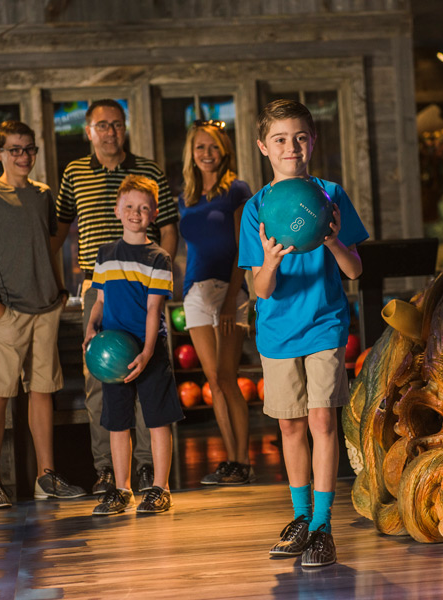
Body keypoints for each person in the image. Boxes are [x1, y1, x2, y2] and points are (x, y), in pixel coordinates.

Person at [238, 100, 368, 567]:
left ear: (311, 142)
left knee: (321, 422)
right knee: (290, 425)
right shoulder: (256, 209)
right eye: (279, 139)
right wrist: (270, 262)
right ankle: (299, 517)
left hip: (325, 324)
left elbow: (354, 270)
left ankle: (322, 527)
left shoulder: (330, 193)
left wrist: (332, 238)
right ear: (263, 148)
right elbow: (261, 288)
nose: (290, 147)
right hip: (277, 332)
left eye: (299, 138)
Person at [53, 99, 179, 497]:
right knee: (103, 380)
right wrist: (58, 284)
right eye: (102, 125)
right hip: (100, 284)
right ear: (89, 131)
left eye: (117, 124)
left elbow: (171, 226)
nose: (110, 131)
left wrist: (160, 270)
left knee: (148, 374)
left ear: (125, 128)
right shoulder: (74, 172)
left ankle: (147, 469)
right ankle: (108, 471)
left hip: (145, 283)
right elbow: (59, 231)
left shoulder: (148, 170)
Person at [0, 120, 86, 509]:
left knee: (42, 390)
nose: (23, 156)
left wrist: (58, 289)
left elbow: (49, 245)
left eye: (29, 149)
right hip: (10, 311)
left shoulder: (43, 195)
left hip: (46, 308)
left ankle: (46, 476)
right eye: (15, 149)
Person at [83, 175, 184, 515]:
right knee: (118, 422)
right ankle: (122, 489)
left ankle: (160, 488)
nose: (135, 213)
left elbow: (155, 310)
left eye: (143, 208)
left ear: (154, 214)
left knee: (156, 420)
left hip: (148, 351)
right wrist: (91, 328)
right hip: (113, 354)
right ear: (117, 210)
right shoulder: (105, 254)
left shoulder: (159, 258)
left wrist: (147, 352)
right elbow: (99, 300)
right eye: (129, 206)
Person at [178, 120, 254, 485]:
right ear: (191, 154)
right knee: (212, 378)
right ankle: (230, 460)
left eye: (213, 147)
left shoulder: (237, 190)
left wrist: (230, 300)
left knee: (227, 376)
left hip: (230, 291)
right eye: (200, 148)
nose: (206, 154)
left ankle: (244, 460)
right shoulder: (186, 196)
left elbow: (245, 247)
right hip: (194, 292)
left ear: (224, 150)